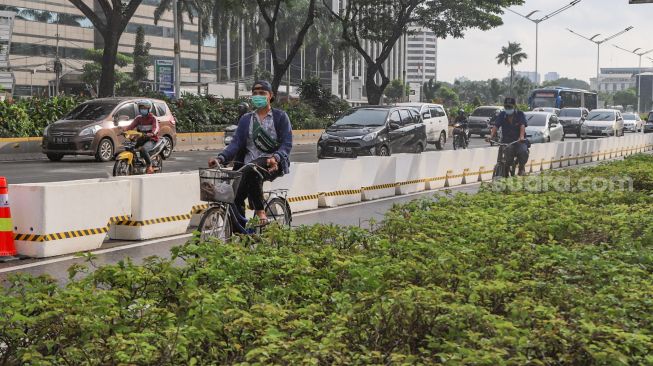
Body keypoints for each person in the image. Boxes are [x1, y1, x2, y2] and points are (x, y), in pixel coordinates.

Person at [209, 80, 292, 224]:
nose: (257, 96)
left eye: (262, 93)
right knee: (234, 196)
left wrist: (276, 157)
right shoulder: (246, 119)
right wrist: (221, 158)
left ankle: (260, 213)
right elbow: (236, 143)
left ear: (270, 95)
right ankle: (242, 236)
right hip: (245, 165)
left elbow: (286, 144)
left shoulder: (280, 117)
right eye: (255, 93)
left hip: (272, 164)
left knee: (254, 172)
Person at [486, 97, 529, 176]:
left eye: (510, 107)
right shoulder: (502, 115)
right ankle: (505, 169)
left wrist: (521, 137)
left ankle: (521, 168)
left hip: (518, 141)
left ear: (514, 106)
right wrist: (491, 136)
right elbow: (496, 126)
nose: (508, 108)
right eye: (506, 107)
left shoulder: (520, 114)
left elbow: (522, 126)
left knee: (523, 151)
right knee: (507, 155)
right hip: (506, 141)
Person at [123, 100, 159, 174]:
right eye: (141, 108)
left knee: (143, 149)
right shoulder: (138, 118)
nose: (143, 109)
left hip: (151, 139)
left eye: (144, 108)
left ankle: (149, 166)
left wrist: (152, 133)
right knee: (130, 147)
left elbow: (156, 128)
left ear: (149, 109)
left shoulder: (153, 118)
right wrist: (124, 131)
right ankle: (134, 163)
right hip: (140, 138)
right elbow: (131, 126)